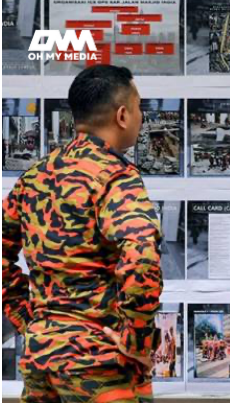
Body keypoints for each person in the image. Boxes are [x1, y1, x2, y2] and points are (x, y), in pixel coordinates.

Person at [2, 65, 163, 402]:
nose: (141, 117)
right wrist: (137, 341)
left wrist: (25, 318)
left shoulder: (35, 175)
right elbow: (142, 258)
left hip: (40, 360)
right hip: (100, 364)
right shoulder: (116, 177)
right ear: (122, 115)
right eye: (138, 107)